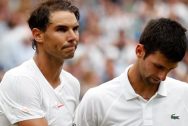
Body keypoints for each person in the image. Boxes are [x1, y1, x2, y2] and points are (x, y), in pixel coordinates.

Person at [74, 18, 188, 126]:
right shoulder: (97, 100)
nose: (163, 77)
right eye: (158, 67)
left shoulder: (184, 95)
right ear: (139, 51)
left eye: (170, 69)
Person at [0, 0, 80, 126]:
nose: (73, 37)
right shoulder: (19, 79)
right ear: (37, 35)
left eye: (75, 29)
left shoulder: (72, 84)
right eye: (61, 29)